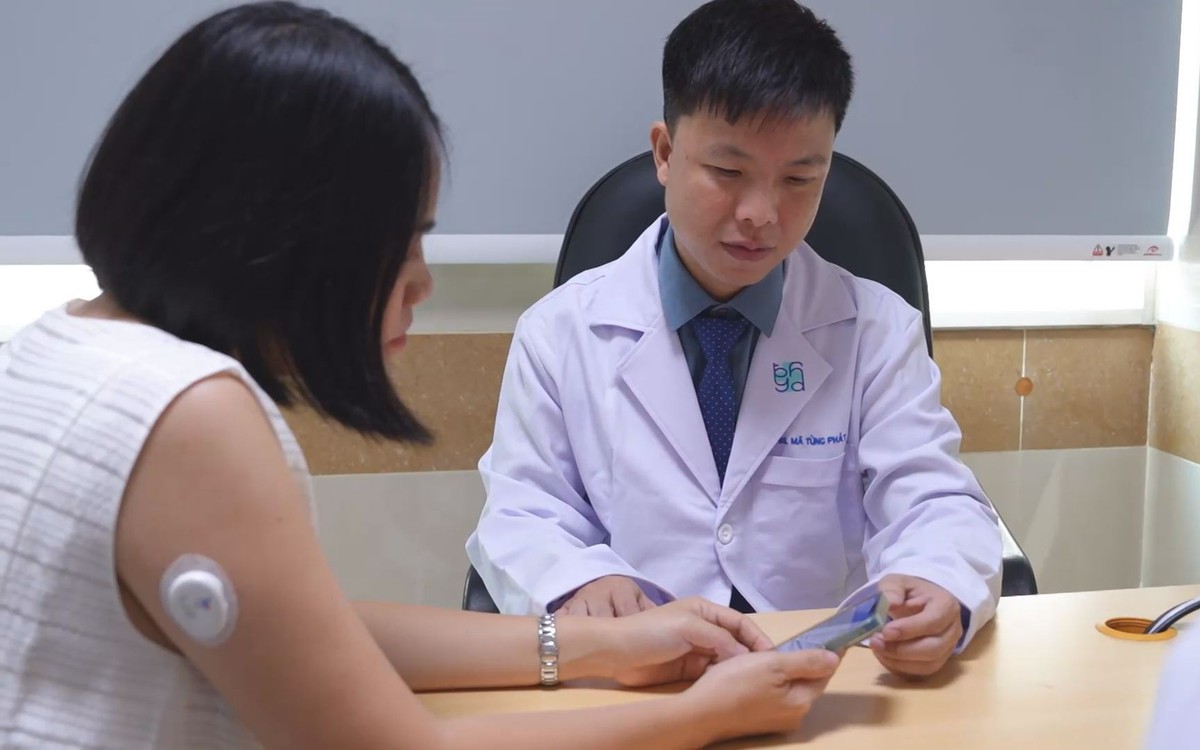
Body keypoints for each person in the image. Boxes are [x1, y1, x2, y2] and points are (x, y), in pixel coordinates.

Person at [0, 3, 843, 748]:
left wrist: (605, 644)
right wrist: (703, 718)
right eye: (404, 237)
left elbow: (318, 634)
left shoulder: (62, 346)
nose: (422, 282)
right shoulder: (192, 418)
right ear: (285, 232)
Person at [467, 0, 1002, 679]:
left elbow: (932, 498)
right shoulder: (559, 332)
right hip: (640, 680)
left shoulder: (876, 330)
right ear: (665, 153)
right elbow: (522, 511)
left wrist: (937, 581)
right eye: (728, 172)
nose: (761, 214)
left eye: (800, 179)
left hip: (823, 676)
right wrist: (578, 581)